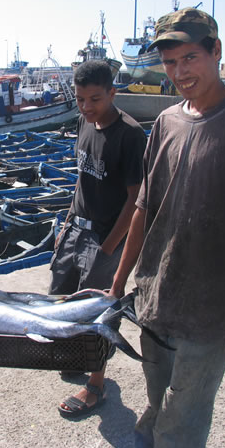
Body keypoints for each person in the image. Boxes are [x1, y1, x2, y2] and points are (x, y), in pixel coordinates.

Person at [108, 8, 225, 448]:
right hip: (153, 301)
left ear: (216, 51)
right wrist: (116, 287)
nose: (180, 72)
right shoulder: (167, 124)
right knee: (157, 406)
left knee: (182, 426)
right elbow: (143, 209)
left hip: (208, 314)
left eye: (190, 57)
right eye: (171, 63)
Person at [50, 60, 146, 417]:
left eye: (95, 99)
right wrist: (68, 223)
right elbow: (83, 178)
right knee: (61, 298)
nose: (87, 107)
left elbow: (137, 198)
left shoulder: (131, 135)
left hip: (107, 239)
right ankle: (78, 357)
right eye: (80, 100)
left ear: (112, 93)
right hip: (76, 229)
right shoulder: (83, 123)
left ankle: (96, 384)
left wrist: (108, 248)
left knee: (99, 314)